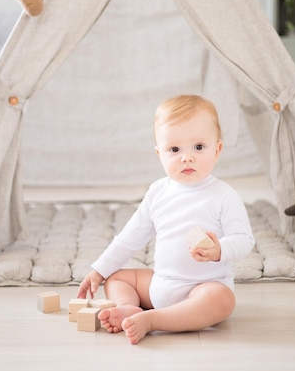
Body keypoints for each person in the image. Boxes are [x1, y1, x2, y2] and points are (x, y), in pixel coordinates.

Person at [77, 94, 255, 344]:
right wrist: (99, 270)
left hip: (202, 288)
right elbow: (129, 239)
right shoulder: (158, 192)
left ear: (217, 150)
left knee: (222, 300)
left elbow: (244, 240)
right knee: (117, 278)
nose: (187, 157)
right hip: (160, 284)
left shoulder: (224, 195)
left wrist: (219, 250)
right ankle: (130, 307)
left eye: (199, 147)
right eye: (174, 149)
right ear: (159, 153)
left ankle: (154, 320)